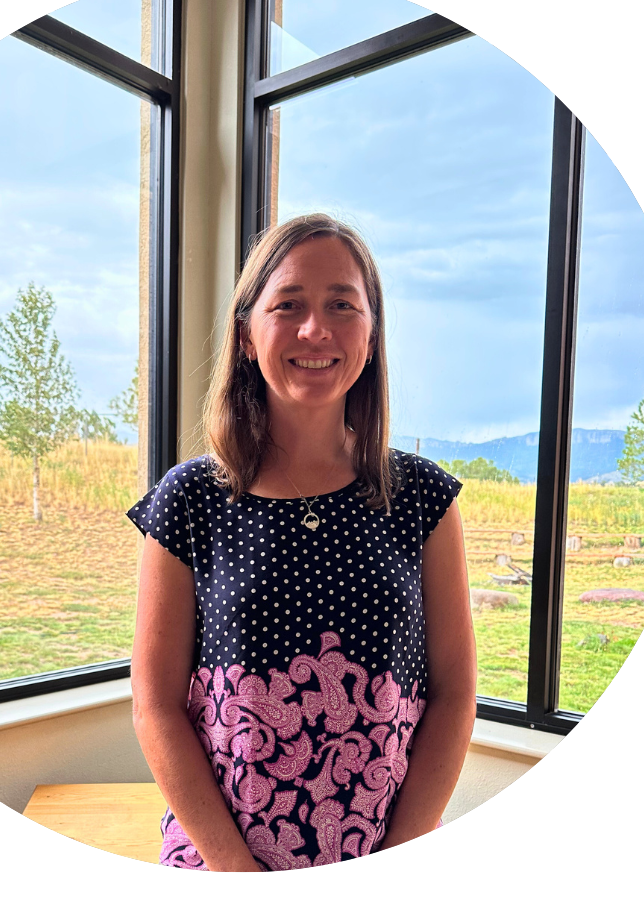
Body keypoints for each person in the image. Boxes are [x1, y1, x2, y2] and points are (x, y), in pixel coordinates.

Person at [127, 213, 476, 871]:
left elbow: (455, 696)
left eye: (343, 305)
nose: (316, 330)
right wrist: (237, 872)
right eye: (288, 304)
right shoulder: (189, 500)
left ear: (371, 337)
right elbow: (155, 704)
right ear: (246, 336)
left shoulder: (425, 501)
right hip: (218, 869)